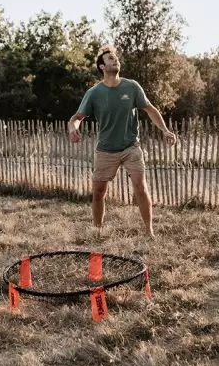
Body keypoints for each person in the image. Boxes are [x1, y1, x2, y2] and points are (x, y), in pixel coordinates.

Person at [68, 46, 177, 238]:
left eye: (116, 58)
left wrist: (165, 130)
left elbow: (150, 109)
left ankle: (149, 231)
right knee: (98, 192)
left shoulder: (132, 86)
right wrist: (72, 127)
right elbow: (77, 117)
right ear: (102, 66)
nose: (115, 60)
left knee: (140, 186)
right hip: (106, 149)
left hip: (130, 147)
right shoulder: (94, 93)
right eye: (110, 59)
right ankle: (98, 230)